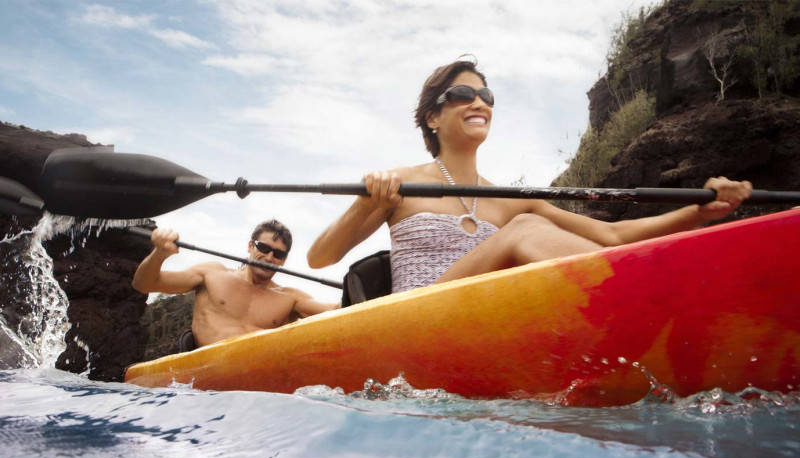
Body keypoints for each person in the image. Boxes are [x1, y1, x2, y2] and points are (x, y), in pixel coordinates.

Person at [307, 57, 753, 293]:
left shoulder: (512, 199)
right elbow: (320, 259)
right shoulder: (400, 185)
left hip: (485, 311)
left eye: (486, 95)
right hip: (412, 315)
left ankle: (643, 290)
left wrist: (700, 211)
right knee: (525, 229)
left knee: (527, 225)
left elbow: (613, 237)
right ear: (431, 118)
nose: (479, 101)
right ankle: (649, 291)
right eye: (463, 93)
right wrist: (366, 201)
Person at [133, 219, 339, 348]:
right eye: (263, 248)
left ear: (284, 260)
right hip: (203, 384)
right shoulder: (211, 274)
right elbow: (144, 284)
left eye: (277, 254)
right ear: (250, 245)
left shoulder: (291, 298)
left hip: (258, 385)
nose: (269, 257)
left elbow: (337, 310)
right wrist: (159, 254)